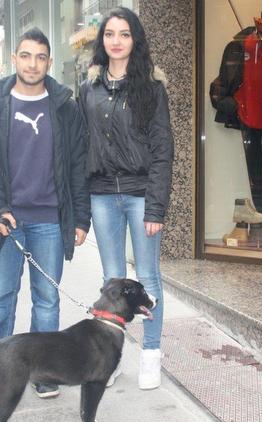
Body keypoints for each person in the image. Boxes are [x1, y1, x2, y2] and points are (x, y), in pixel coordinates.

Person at [0, 27, 90, 399]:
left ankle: (44, 371)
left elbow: (77, 164)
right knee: (1, 300)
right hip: (5, 221)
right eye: (26, 56)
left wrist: (80, 218)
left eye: (40, 57)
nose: (32, 64)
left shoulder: (65, 106)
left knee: (47, 300)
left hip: (50, 220)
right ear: (14, 59)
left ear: (49, 62)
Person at [78, 7, 174, 390]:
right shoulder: (89, 89)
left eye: (124, 34)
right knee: (111, 279)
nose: (116, 41)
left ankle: (151, 354)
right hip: (102, 194)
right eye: (109, 34)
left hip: (140, 194)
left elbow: (163, 150)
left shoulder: (151, 87)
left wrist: (156, 206)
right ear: (102, 40)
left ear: (135, 40)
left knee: (147, 277)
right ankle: (110, 357)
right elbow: (82, 146)